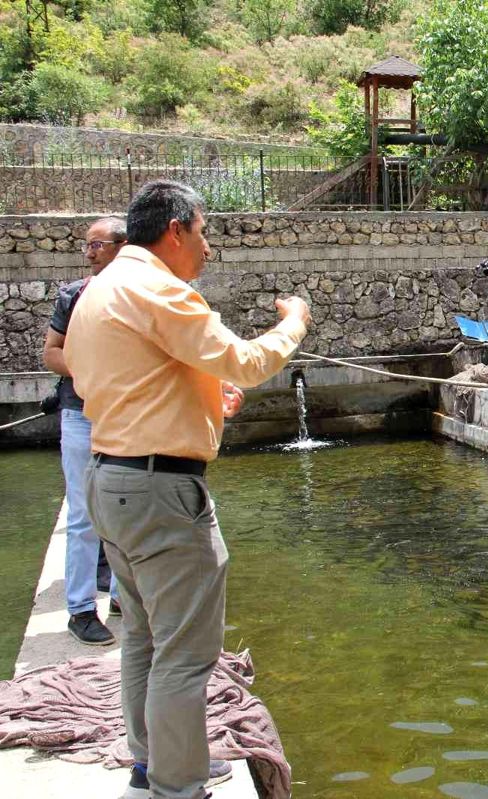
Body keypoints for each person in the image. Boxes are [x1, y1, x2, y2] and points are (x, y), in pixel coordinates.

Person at [66, 180, 310, 799]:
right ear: (175, 230)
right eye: (204, 232)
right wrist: (294, 323)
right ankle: (179, 786)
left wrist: (202, 400)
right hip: (159, 493)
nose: (207, 246)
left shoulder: (101, 290)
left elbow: (127, 385)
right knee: (185, 654)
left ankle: (152, 762)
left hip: (112, 479)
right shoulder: (157, 289)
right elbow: (250, 362)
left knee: (145, 638)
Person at [43, 216, 127, 646]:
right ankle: (79, 609)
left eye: (98, 245)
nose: (90, 252)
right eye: (88, 246)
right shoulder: (73, 295)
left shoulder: (138, 296)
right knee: (82, 516)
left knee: (119, 510)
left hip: (122, 416)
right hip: (80, 415)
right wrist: (89, 369)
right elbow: (51, 352)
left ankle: (119, 596)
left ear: (122, 246)